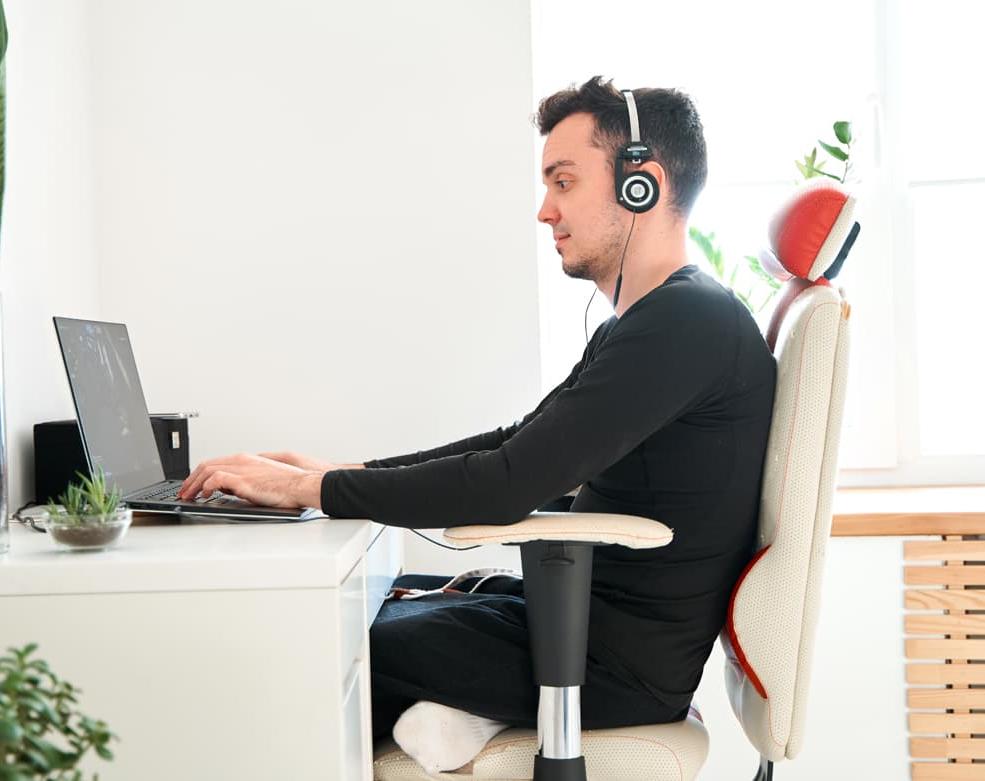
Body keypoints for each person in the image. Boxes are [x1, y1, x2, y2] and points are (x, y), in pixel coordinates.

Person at [178, 75, 776, 771]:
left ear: (640, 182)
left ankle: (466, 711)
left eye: (563, 180)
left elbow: (506, 482)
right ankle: (463, 712)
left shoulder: (685, 322)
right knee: (367, 615)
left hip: (606, 668)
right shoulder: (658, 318)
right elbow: (515, 441)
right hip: (575, 633)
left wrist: (314, 491)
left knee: (309, 649)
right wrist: (336, 473)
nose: (545, 210)